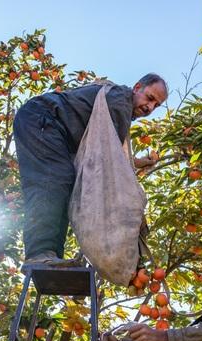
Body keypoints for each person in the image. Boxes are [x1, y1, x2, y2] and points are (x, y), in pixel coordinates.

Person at [13, 74, 168, 267]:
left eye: (157, 106)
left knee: (63, 185)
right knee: (52, 180)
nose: (150, 108)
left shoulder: (118, 103)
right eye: (150, 98)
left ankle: (49, 257)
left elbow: (113, 153)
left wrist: (139, 162)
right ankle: (39, 254)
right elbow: (111, 161)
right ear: (137, 87)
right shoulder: (120, 101)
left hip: (49, 127)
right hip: (43, 119)